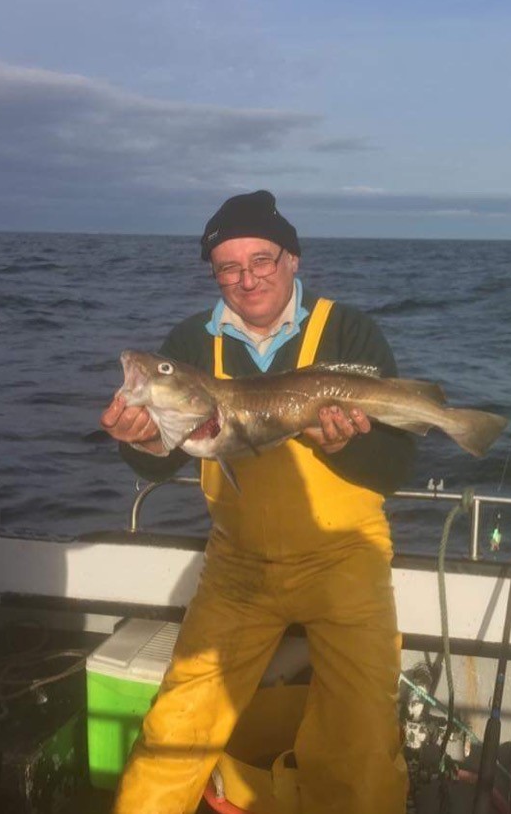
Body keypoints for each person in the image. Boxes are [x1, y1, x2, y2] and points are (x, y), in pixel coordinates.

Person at [100, 189, 415, 814]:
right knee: (175, 727)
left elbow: (395, 469)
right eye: (229, 267)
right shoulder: (189, 344)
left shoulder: (349, 331)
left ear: (292, 258)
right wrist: (139, 441)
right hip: (238, 568)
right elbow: (162, 457)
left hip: (345, 561)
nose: (247, 279)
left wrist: (343, 447)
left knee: (362, 743)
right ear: (214, 274)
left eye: (262, 260)